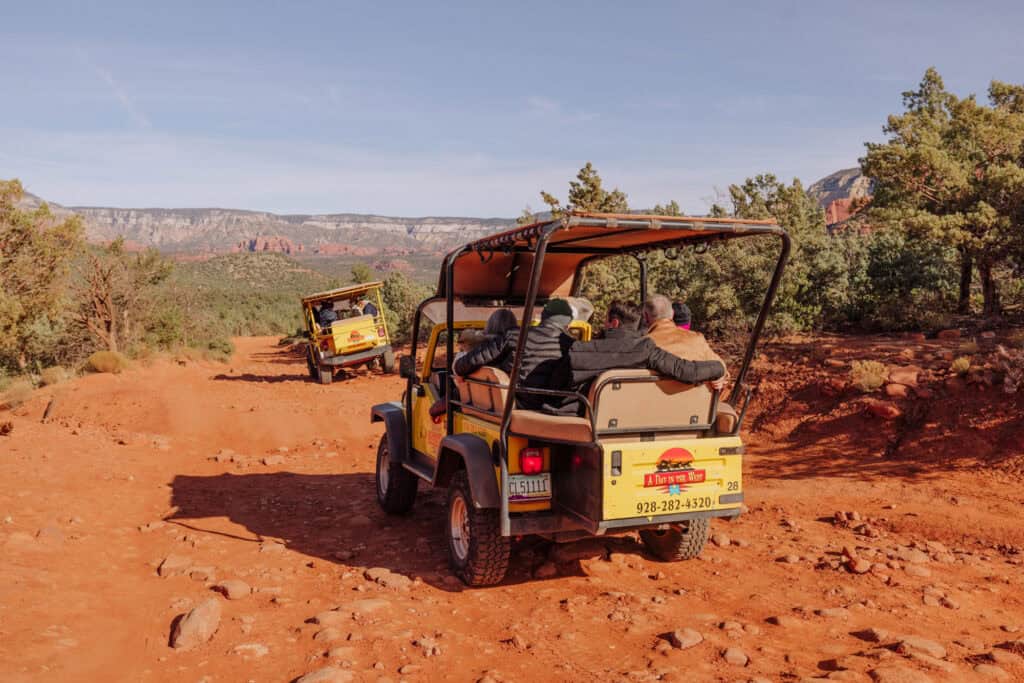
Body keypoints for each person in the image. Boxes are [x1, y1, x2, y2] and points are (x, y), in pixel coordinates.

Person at [563, 301, 725, 396]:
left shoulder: (579, 349)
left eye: (605, 321)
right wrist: (718, 369)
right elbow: (687, 371)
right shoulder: (646, 349)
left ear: (614, 323)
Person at [454, 300, 575, 410]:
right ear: (568, 323)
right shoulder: (572, 346)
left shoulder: (516, 335)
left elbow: (467, 363)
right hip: (553, 408)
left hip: (514, 405)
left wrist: (460, 371)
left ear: (543, 316)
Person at [644, 294, 728, 390]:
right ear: (672, 314)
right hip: (698, 404)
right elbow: (723, 370)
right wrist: (721, 376)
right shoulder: (696, 339)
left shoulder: (640, 345)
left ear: (646, 317)